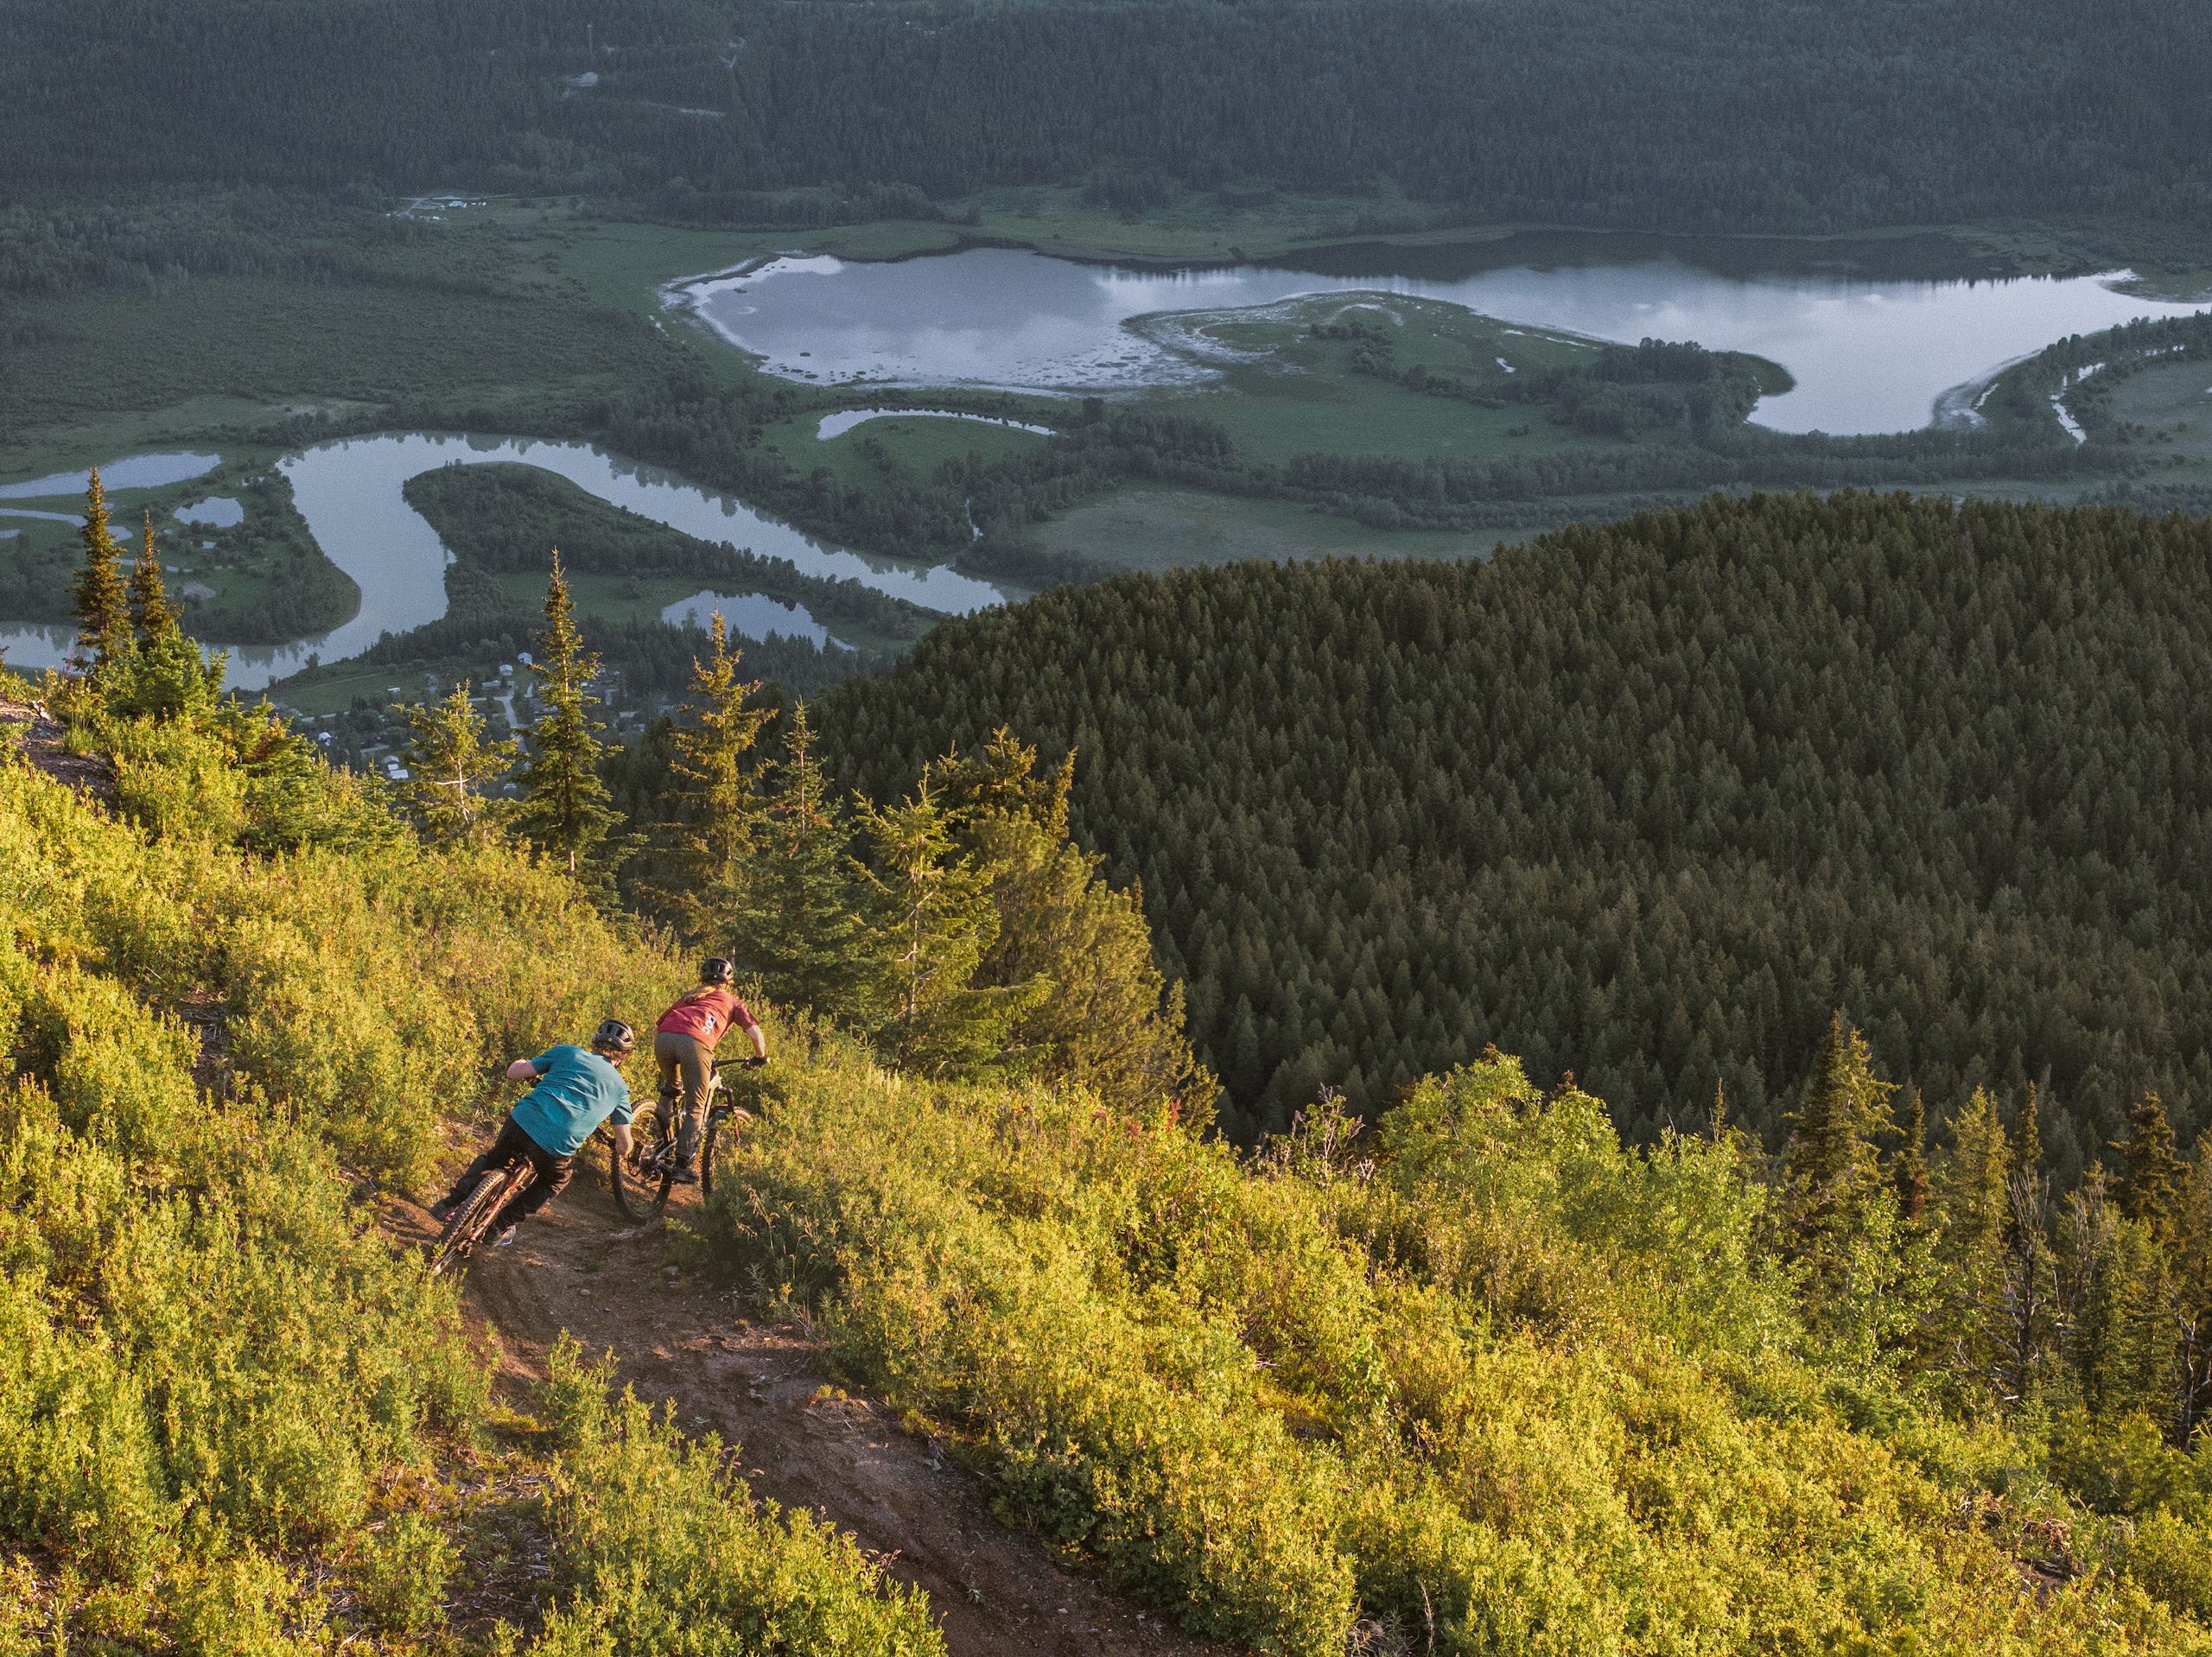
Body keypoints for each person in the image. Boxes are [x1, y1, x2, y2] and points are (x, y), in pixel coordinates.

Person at [432, 1019, 637, 1247]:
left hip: (522, 1121)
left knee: (493, 1159)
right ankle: (499, 1227)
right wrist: (621, 1147)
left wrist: (520, 1062)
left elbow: (514, 1072)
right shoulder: (620, 1089)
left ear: (594, 1041)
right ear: (625, 1057)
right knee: (553, 1182)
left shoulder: (568, 1053)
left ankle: (449, 1204)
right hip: (557, 1145)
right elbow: (625, 1146)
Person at [655, 957, 767, 1183]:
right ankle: (681, 1164)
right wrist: (760, 1057)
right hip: (696, 1044)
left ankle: (656, 1138)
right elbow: (756, 1034)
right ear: (730, 982)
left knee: (671, 1089)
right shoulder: (733, 1003)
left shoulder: (690, 996)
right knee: (696, 1104)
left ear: (701, 978)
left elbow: (661, 1023)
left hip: (663, 1040)